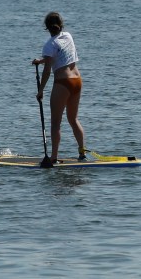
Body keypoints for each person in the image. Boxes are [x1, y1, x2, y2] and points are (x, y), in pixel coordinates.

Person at [31, 12, 85, 165]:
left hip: (63, 83)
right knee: (73, 119)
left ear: (46, 27)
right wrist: (41, 61)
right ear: (61, 24)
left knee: (55, 123)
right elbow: (59, 56)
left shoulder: (49, 44)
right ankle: (82, 153)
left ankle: (53, 157)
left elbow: (48, 70)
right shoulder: (68, 36)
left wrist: (40, 90)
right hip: (77, 81)